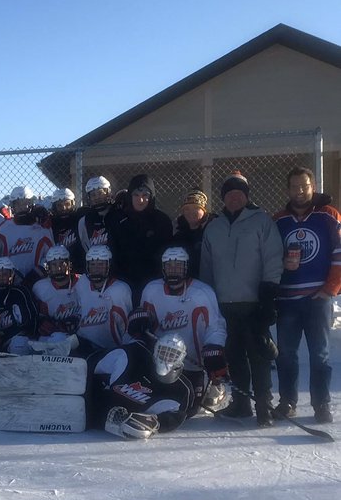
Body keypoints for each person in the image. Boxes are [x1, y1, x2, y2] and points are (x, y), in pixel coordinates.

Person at [199, 173, 284, 425]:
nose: (234, 198)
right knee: (233, 355)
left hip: (253, 302)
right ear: (223, 198)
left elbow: (272, 260)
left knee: (258, 354)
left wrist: (267, 298)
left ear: (247, 196)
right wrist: (208, 299)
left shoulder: (262, 222)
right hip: (224, 303)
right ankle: (241, 403)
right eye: (229, 194)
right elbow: (206, 266)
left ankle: (264, 406)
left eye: (239, 193)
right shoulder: (213, 227)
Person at [272, 166, 341, 423]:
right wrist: (281, 265)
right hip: (287, 300)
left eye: (304, 186)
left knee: (320, 354)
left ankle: (321, 404)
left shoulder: (329, 216)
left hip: (318, 298)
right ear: (287, 189)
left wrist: (330, 289)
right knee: (286, 354)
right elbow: (268, 258)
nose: (299, 191)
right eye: (294, 186)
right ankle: (287, 401)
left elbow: (339, 255)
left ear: (313, 186)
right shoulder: (278, 220)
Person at [137, 246, 228, 415]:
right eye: (169, 267)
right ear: (163, 268)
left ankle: (215, 386)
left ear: (186, 268)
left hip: (194, 365)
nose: (173, 271)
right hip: (163, 363)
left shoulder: (202, 293)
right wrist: (138, 325)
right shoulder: (151, 290)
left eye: (178, 267)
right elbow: (143, 325)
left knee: (190, 409)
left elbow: (216, 326)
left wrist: (214, 347)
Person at [90, 332, 195, 440]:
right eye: (163, 352)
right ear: (155, 350)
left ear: (181, 358)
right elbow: (91, 366)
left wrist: (155, 423)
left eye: (172, 354)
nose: (166, 358)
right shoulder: (130, 356)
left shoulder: (183, 390)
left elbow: (177, 417)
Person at [108, 174, 173, 302]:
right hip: (124, 284)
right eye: (136, 195)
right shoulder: (118, 220)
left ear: (152, 197)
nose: (140, 200)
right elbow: (113, 253)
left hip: (154, 283)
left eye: (145, 196)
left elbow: (166, 254)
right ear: (130, 196)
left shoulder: (162, 221)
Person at [74, 244, 133, 354]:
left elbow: (125, 329)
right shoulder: (81, 284)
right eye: (93, 264)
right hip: (83, 347)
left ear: (109, 266)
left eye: (100, 264)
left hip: (111, 351)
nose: (96, 269)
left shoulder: (120, 290)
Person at [0, 185, 53, 284]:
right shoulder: (4, 228)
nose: (22, 208)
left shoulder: (42, 228)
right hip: (9, 280)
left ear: (31, 204)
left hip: (37, 281)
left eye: (25, 203)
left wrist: (38, 272)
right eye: (18, 204)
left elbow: (50, 255)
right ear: (12, 206)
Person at [31, 245, 81, 343]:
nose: (58, 268)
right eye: (53, 265)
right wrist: (46, 322)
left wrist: (78, 318)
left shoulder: (82, 282)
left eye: (61, 264)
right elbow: (38, 318)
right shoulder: (40, 287)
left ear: (68, 265)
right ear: (47, 267)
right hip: (51, 337)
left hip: (79, 335)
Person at [0, 256, 37, 353]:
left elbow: (31, 324)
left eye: (4, 274)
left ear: (12, 275)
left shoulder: (20, 293)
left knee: (19, 344)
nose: (1, 278)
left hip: (16, 340)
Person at [173, 189, 216, 279]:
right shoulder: (179, 235)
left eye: (196, 208)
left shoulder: (213, 231)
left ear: (204, 210)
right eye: (187, 209)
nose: (191, 212)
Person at [77, 176, 118, 255]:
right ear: (89, 198)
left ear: (108, 193)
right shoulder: (84, 221)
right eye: (93, 195)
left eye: (100, 193)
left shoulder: (118, 215)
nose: (97, 198)